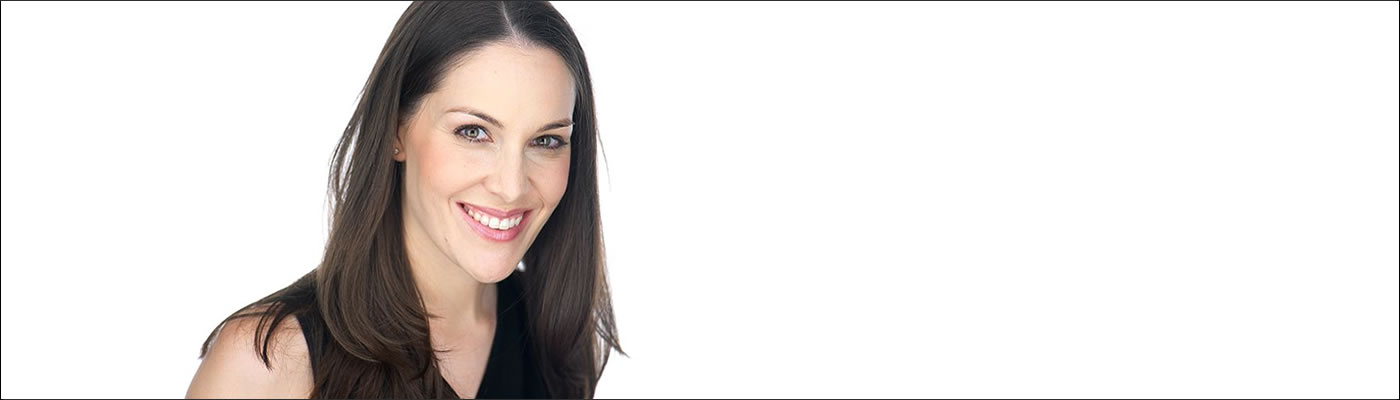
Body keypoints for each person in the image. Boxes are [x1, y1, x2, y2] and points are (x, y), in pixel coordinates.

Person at [184, 1, 622, 398]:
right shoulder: (269, 363)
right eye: (473, 132)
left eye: (546, 140)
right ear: (396, 131)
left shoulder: (553, 336)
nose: (511, 187)